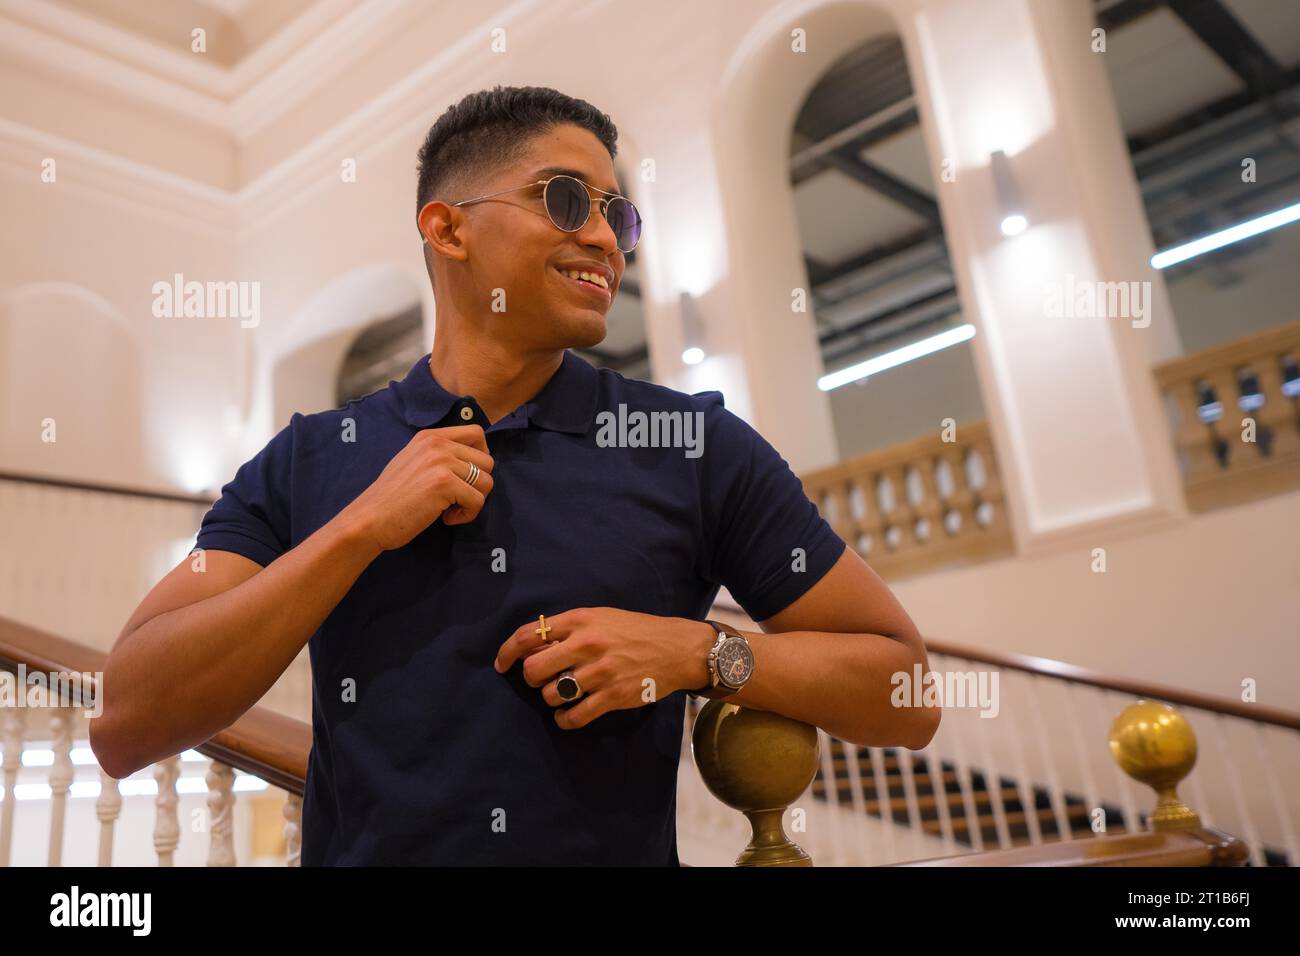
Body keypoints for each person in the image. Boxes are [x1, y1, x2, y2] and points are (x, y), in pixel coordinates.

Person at [91, 85, 938, 865]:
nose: (606, 239)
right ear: (448, 228)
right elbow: (126, 723)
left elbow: (907, 690)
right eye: (566, 199)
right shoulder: (312, 458)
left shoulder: (690, 443)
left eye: (619, 215)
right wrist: (357, 530)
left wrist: (699, 650)